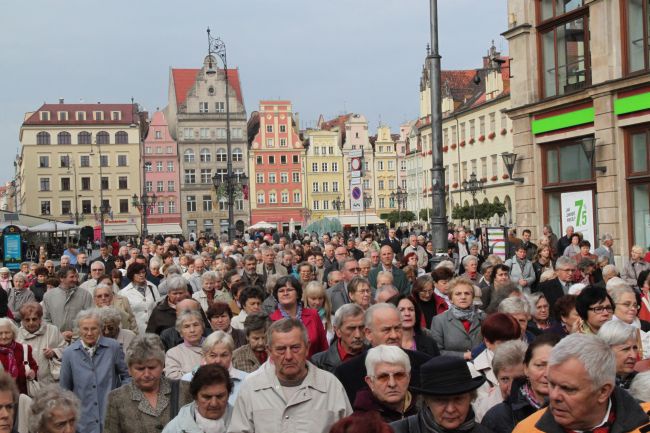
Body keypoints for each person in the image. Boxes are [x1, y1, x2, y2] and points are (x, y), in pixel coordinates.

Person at [228, 318, 353, 433]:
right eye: (281, 349)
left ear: (307, 347)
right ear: (269, 351)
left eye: (295, 348)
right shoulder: (251, 388)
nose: (288, 356)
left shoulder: (330, 386)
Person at [512, 333, 650, 433]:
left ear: (603, 391)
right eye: (552, 384)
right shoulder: (526, 430)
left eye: (568, 389)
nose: (554, 396)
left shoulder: (644, 422)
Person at [335, 303, 434, 404]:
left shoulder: (425, 364)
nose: (394, 335)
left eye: (397, 328)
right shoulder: (347, 373)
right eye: (386, 330)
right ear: (368, 333)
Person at [104, 334, 192, 433]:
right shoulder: (117, 398)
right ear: (129, 369)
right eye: (140, 369)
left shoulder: (185, 390)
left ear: (162, 365)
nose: (146, 374)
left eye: (152, 367)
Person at [60, 309, 130, 433]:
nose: (89, 333)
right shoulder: (69, 353)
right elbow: (65, 390)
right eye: (85, 329)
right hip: (83, 421)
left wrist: (121, 397)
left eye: (94, 328)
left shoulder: (113, 347)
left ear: (100, 329)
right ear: (79, 330)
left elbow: (127, 376)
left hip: (111, 416)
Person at [390, 356, 491, 433]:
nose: (450, 409)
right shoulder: (396, 430)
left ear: (471, 397)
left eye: (458, 399)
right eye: (441, 400)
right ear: (427, 401)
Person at [482, 334, 560, 433]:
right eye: (540, 365)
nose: (546, 373)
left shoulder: (573, 411)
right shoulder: (495, 416)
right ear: (526, 368)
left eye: (553, 366)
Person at [353, 345, 418, 423]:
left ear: (409, 377)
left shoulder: (426, 409)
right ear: (370, 382)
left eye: (399, 375)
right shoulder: (358, 423)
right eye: (383, 377)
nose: (392, 384)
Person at [180, 331, 247, 405]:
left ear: (231, 355)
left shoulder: (247, 380)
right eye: (213, 355)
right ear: (204, 356)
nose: (218, 361)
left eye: (224, 355)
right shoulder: (188, 379)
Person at [269, 275, 328, 358]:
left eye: (289, 290)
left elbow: (324, 347)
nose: (285, 293)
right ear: (277, 296)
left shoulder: (313, 315)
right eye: (281, 291)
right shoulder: (271, 320)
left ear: (297, 294)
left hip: (313, 367)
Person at [164, 364, 233, 433]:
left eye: (220, 396)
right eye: (207, 397)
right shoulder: (174, 429)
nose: (214, 403)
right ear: (195, 397)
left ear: (228, 395)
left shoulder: (242, 420)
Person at [430, 277, 485, 360]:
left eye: (467, 293)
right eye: (458, 294)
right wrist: (464, 355)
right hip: (453, 369)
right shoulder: (439, 321)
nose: (463, 297)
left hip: (481, 367)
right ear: (451, 299)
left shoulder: (483, 317)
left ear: (473, 297)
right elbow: (437, 351)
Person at [16, 302, 66, 385]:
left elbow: (67, 351)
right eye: (27, 320)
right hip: (28, 384)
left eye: (34, 319)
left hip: (51, 382)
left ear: (40, 319)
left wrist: (54, 352)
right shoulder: (17, 335)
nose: (31, 323)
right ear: (22, 320)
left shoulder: (52, 330)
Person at [42, 268, 93, 342]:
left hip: (79, 341)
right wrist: (59, 334)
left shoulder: (85, 295)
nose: (75, 279)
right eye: (72, 277)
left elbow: (89, 318)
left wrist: (75, 334)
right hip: (55, 341)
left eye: (76, 276)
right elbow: (45, 319)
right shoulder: (49, 296)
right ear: (62, 278)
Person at [312, 303, 366, 373]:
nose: (358, 335)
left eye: (362, 327)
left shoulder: (374, 355)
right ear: (338, 331)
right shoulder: (318, 362)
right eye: (351, 328)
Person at [119, 263, 161, 334]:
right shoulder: (124, 293)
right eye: (138, 273)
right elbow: (125, 317)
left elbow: (158, 306)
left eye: (143, 272)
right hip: (136, 332)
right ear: (132, 275)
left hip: (153, 331)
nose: (141, 275)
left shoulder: (152, 287)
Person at [598, 320, 640, 389]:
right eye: (626, 349)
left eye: (635, 348)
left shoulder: (641, 381)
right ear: (606, 350)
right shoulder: (593, 382)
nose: (634, 356)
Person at [0, 318, 37, 395]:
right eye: (0, 333)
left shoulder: (24, 349)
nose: (4, 336)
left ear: (13, 333)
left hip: (22, 396)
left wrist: (32, 372)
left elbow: (34, 366)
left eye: (7, 333)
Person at [165, 310, 206, 379]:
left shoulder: (215, 345)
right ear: (180, 332)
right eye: (187, 326)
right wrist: (197, 370)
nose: (192, 330)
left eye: (196, 325)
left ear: (202, 328)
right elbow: (172, 378)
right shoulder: (173, 353)